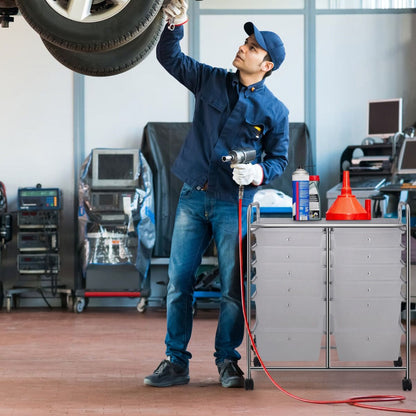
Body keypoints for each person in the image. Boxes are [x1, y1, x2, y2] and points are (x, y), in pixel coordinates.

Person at [144, 0, 289, 388]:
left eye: (253, 47)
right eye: (245, 42)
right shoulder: (210, 80)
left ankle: (228, 360)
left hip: (233, 204)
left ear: (267, 65)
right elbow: (169, 57)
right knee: (179, 282)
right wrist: (177, 23)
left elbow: (280, 159)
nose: (243, 47)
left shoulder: (275, 111)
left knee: (233, 288)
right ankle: (176, 361)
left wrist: (259, 171)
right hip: (193, 196)